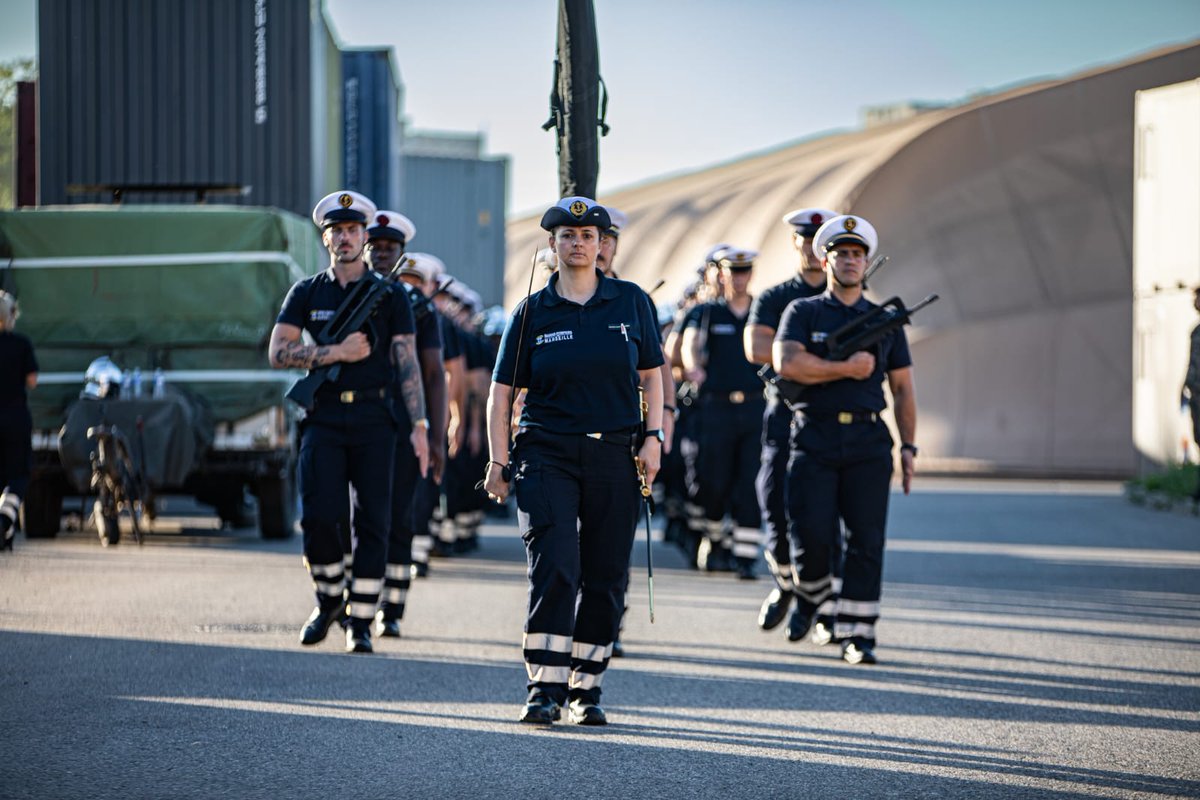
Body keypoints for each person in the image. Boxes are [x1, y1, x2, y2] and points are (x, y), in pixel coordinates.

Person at [483, 196, 664, 726]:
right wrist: (498, 460)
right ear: (552, 245)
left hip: (615, 453)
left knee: (606, 575)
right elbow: (501, 392)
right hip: (546, 452)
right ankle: (544, 687)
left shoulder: (631, 301)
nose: (579, 243)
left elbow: (653, 374)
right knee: (556, 566)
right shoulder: (532, 311)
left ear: (603, 244)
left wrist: (654, 437)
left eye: (588, 236)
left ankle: (587, 687)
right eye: (568, 235)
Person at [268, 190, 429, 654]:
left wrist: (420, 426)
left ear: (364, 236)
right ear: (326, 238)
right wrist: (335, 352)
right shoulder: (307, 292)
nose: (345, 238)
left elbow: (408, 364)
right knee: (319, 516)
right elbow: (278, 351)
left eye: (353, 230)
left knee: (373, 521)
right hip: (324, 415)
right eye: (336, 231)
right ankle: (329, 598)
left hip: (376, 418)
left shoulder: (391, 294)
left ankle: (360, 620)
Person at [773, 214, 917, 665]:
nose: (850, 261)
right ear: (825, 260)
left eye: (857, 254)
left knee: (866, 540)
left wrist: (908, 446)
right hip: (813, 435)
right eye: (841, 254)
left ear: (867, 262)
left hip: (868, 439)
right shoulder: (803, 312)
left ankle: (858, 633)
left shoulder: (885, 320)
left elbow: (903, 388)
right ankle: (811, 594)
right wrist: (844, 369)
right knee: (811, 535)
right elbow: (786, 363)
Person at [743, 208, 838, 636]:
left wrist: (799, 357)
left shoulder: (845, 298)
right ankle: (786, 583)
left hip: (828, 417)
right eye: (805, 240)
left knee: (824, 517)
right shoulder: (776, 297)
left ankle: (824, 606)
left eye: (821, 242)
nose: (813, 250)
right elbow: (757, 348)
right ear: (795, 243)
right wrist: (821, 358)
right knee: (774, 504)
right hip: (783, 413)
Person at [366, 217, 449, 638]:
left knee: (399, 515)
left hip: (402, 423)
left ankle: (392, 605)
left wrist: (436, 438)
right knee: (357, 516)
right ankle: (357, 599)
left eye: (390, 246)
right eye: (375, 245)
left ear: (401, 254)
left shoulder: (419, 307)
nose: (382, 252)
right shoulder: (345, 295)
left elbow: (434, 375)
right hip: (357, 421)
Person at [680, 247, 765, 578]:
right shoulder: (707, 312)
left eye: (744, 272)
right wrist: (693, 367)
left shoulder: (762, 310)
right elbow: (690, 344)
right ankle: (715, 540)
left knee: (751, 483)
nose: (739, 278)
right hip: (716, 407)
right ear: (723, 275)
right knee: (713, 480)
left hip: (755, 406)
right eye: (733, 272)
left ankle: (745, 557)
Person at [0, 291, 38, 550]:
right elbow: (32, 381)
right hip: (15, 418)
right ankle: (5, 519)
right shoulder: (21, 344)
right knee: (18, 476)